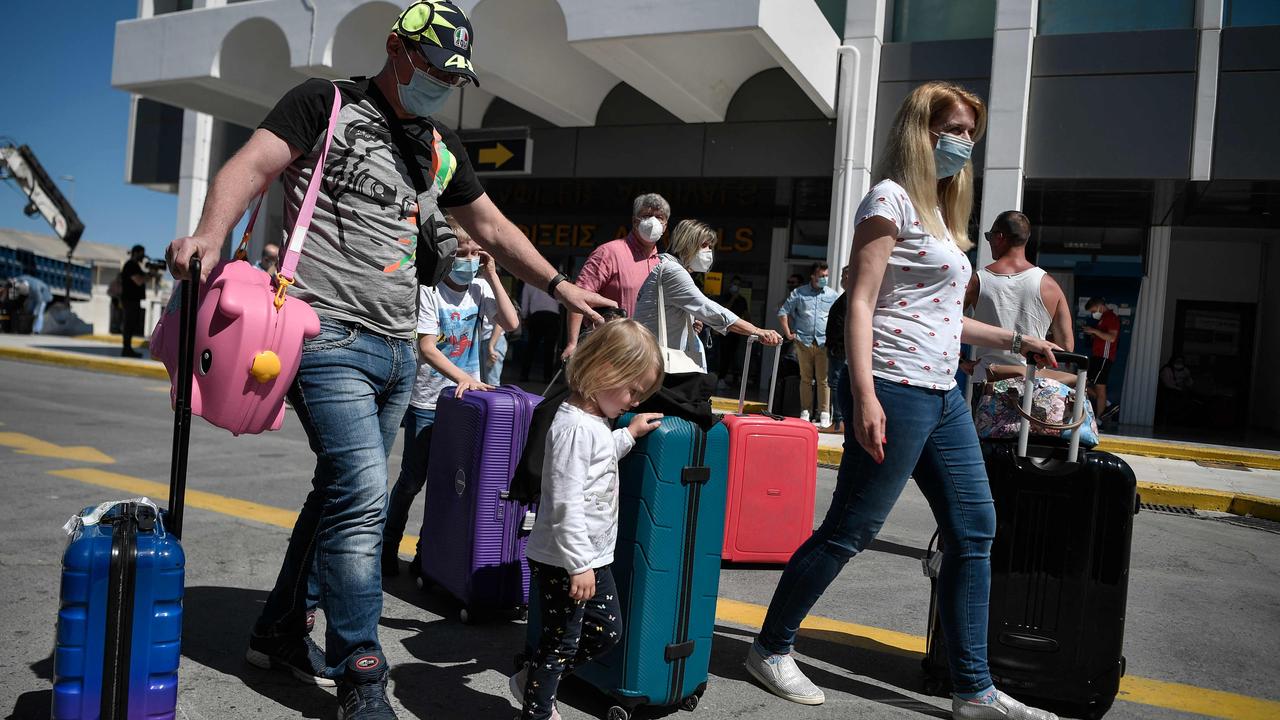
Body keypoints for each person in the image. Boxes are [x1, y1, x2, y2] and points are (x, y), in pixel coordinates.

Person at [164, 3, 613, 716]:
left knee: (340, 493)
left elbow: (489, 225)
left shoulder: (437, 144)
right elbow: (251, 165)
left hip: (399, 350)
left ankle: (280, 627)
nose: (441, 83)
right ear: (397, 50)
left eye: (451, 75)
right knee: (366, 498)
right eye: (433, 67)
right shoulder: (326, 103)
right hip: (323, 335)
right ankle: (360, 672)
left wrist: (557, 286)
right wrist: (208, 234)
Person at [744, 81, 1062, 720]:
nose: (963, 142)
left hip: (943, 391)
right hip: (892, 384)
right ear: (921, 131)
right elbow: (860, 301)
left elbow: (941, 318)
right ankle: (771, 647)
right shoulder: (888, 199)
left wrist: (1016, 339)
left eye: (971, 131)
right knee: (851, 531)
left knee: (976, 526)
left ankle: (972, 690)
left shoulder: (942, 213)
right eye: (952, 128)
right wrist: (861, 394)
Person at [509, 319, 665, 720]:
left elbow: (594, 463)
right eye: (632, 389)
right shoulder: (575, 426)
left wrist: (628, 434)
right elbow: (563, 500)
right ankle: (538, 708)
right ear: (604, 371)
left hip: (589, 557)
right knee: (561, 641)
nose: (634, 400)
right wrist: (579, 564)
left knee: (606, 630)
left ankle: (536, 680)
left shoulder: (595, 421)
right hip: (567, 559)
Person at [382, 219, 518, 576]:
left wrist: (492, 275)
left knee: (450, 481)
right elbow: (427, 348)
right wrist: (465, 378)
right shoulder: (429, 290)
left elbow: (512, 322)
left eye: (475, 253)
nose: (469, 259)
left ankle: (428, 553)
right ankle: (386, 546)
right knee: (413, 479)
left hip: (464, 403)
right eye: (461, 253)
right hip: (428, 400)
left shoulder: (479, 288)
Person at [634, 220, 781, 371]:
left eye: (710, 247)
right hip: (654, 361)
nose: (708, 252)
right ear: (687, 244)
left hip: (651, 356)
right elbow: (707, 307)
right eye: (704, 245)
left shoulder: (667, 267)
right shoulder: (673, 271)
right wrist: (756, 330)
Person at [963, 211, 1073, 382]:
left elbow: (947, 323)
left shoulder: (977, 281)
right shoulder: (1050, 286)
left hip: (988, 381)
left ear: (999, 237)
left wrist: (961, 361)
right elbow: (1066, 347)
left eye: (988, 236)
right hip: (1033, 384)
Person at [562, 193, 670, 359]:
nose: (653, 221)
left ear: (665, 226)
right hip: (609, 349)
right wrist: (572, 343)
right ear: (635, 221)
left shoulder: (664, 264)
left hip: (648, 354)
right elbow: (577, 296)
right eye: (647, 216)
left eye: (659, 217)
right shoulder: (609, 253)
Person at [778, 261, 839, 427]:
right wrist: (788, 333)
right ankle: (805, 411)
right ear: (813, 276)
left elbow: (839, 317)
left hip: (823, 342)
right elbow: (783, 312)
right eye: (821, 276)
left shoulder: (832, 295)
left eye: (826, 276)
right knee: (805, 378)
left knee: (823, 379)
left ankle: (824, 413)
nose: (824, 279)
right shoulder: (799, 293)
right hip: (803, 341)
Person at [823, 266, 851, 433]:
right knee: (835, 384)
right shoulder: (846, 297)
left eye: (844, 275)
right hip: (838, 348)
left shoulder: (852, 298)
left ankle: (839, 422)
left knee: (836, 384)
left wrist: (836, 346)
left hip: (841, 350)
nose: (842, 278)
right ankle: (840, 421)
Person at [1082, 297, 1120, 420]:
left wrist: (1094, 330)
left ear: (1100, 306)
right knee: (1087, 385)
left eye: (1093, 311)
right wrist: (1093, 334)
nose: (1093, 314)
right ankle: (1107, 404)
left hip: (1104, 357)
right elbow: (1103, 336)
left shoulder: (1111, 318)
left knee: (1095, 386)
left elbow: (1112, 338)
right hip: (1097, 356)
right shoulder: (1103, 318)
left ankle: (1100, 418)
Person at [519, 280, 561, 382]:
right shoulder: (554, 280)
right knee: (549, 348)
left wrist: (524, 317)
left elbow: (525, 301)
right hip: (552, 315)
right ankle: (547, 377)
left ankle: (524, 374)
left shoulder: (528, 281)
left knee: (531, 346)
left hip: (536, 315)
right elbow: (560, 299)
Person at [716, 275, 752, 388]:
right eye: (734, 284)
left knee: (735, 356)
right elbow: (723, 310)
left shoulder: (742, 300)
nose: (735, 286)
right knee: (723, 355)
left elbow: (746, 314)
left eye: (738, 285)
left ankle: (734, 378)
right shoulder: (725, 297)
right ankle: (720, 378)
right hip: (724, 332)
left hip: (737, 333)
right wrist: (733, 298)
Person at [119, 245, 150, 357]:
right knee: (129, 325)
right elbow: (138, 281)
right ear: (136, 253)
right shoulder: (130, 265)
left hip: (133, 300)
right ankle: (126, 350)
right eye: (141, 253)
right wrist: (150, 275)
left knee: (131, 325)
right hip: (129, 299)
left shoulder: (134, 265)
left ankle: (128, 349)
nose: (143, 256)